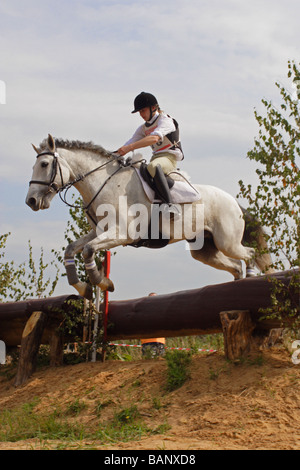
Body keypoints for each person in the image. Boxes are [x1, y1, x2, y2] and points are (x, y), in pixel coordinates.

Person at [117, 92, 184, 216]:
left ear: (153, 108)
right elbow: (130, 142)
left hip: (169, 157)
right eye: (139, 112)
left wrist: (129, 148)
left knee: (153, 167)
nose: (141, 115)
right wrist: (116, 153)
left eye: (143, 110)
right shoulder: (143, 128)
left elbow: (154, 139)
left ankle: (171, 206)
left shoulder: (165, 120)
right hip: (156, 157)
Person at [140, 293, 166, 358]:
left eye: (156, 298)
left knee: (161, 363)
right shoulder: (143, 310)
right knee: (148, 362)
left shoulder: (161, 310)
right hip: (147, 341)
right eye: (152, 298)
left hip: (160, 341)